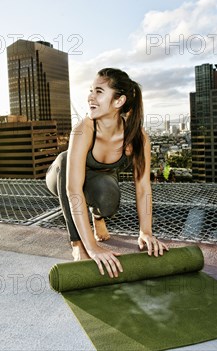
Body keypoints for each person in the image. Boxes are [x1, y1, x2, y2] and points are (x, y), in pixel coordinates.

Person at [46, 68, 169, 278]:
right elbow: (73, 189)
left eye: (99, 91)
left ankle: (97, 216)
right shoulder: (84, 129)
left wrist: (146, 232)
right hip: (61, 176)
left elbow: (143, 187)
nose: (90, 97)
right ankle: (76, 244)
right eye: (91, 90)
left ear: (118, 101)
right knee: (66, 160)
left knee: (109, 198)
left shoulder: (138, 138)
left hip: (100, 178)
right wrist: (90, 246)